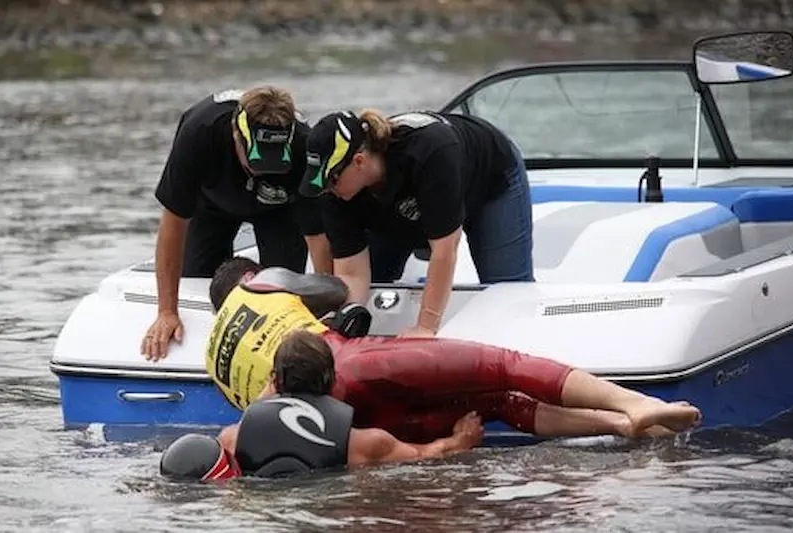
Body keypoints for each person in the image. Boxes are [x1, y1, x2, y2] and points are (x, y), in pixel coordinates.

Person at [204, 257, 702, 445]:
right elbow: (332, 288)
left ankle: (617, 428)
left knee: (495, 407)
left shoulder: (213, 365)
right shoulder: (262, 285)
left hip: (341, 423)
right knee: (503, 370)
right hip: (351, 361)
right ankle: (633, 406)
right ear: (246, 280)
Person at [297, 109, 533, 338]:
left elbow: (444, 250)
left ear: (359, 161)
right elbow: (352, 274)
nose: (328, 191)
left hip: (488, 182)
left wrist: (425, 326)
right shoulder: (335, 193)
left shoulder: (429, 151)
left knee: (507, 291)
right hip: (398, 207)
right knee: (375, 283)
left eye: (331, 181)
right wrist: (339, 325)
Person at [142, 86, 333, 362]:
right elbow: (173, 223)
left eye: (273, 161)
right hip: (212, 202)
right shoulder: (200, 132)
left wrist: (324, 315)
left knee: (281, 290)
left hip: (279, 212)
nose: (262, 168)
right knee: (198, 277)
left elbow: (318, 238)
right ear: (235, 133)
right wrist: (167, 312)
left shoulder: (304, 144)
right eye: (256, 161)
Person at [160, 329, 483, 482]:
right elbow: (431, 455)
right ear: (332, 381)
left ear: (276, 380)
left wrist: (264, 399)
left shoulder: (234, 436)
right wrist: (461, 439)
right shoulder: (365, 443)